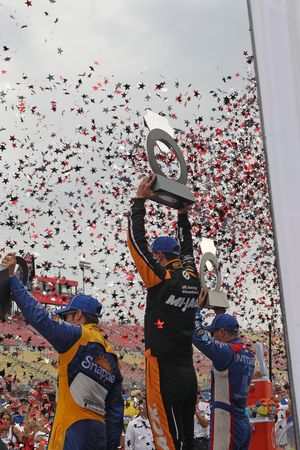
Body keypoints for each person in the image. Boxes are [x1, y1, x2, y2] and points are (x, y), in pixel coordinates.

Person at [1, 253, 124, 450]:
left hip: (72, 432)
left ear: (78, 315)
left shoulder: (77, 336)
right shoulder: (113, 357)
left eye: (66, 316)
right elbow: (116, 413)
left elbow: (38, 316)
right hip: (99, 434)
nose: (65, 321)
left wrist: (13, 280)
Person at [127, 174, 201, 449]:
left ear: (159, 256)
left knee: (167, 442)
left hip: (162, 371)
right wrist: (182, 216)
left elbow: (137, 244)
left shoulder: (160, 278)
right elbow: (189, 250)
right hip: (188, 373)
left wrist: (139, 202)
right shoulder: (192, 277)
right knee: (187, 442)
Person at [193, 291, 255, 450]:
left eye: (213, 333)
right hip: (242, 419)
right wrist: (219, 312)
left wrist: (197, 308)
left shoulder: (227, 352)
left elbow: (197, 335)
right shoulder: (247, 352)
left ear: (221, 332)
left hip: (226, 421)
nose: (212, 337)